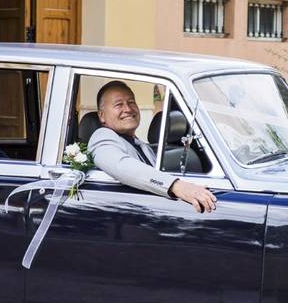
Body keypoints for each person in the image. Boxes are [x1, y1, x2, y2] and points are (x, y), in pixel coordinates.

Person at [87, 80, 217, 214]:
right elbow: (121, 166)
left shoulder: (143, 147)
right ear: (101, 116)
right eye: (119, 104)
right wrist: (177, 186)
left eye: (131, 102)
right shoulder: (101, 137)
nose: (128, 109)